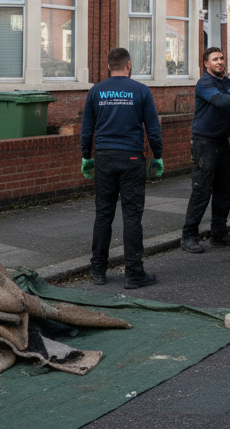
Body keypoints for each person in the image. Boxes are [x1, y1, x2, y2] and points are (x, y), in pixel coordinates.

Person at [81, 47, 164, 290]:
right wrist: (157, 156)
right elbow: (153, 129)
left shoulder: (96, 91)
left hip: (104, 158)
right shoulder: (141, 90)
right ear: (129, 65)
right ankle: (134, 274)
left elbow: (87, 129)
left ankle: (98, 270)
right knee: (131, 216)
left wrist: (87, 157)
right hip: (131, 159)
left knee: (103, 215)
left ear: (109, 66)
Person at [181, 47, 230, 254]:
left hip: (221, 142)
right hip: (204, 143)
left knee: (224, 190)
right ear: (206, 64)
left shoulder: (226, 82)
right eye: (215, 59)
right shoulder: (205, 83)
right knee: (202, 190)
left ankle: (219, 234)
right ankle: (188, 236)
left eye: (222, 58)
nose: (220, 62)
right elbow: (220, 100)